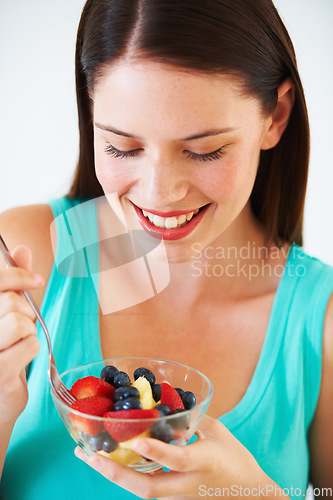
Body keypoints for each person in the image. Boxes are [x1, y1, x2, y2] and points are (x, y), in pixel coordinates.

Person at [0, 0, 332, 498]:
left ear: (275, 117)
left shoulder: (319, 320)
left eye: (204, 150)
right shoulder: (27, 257)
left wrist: (254, 493)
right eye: (121, 147)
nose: (158, 194)